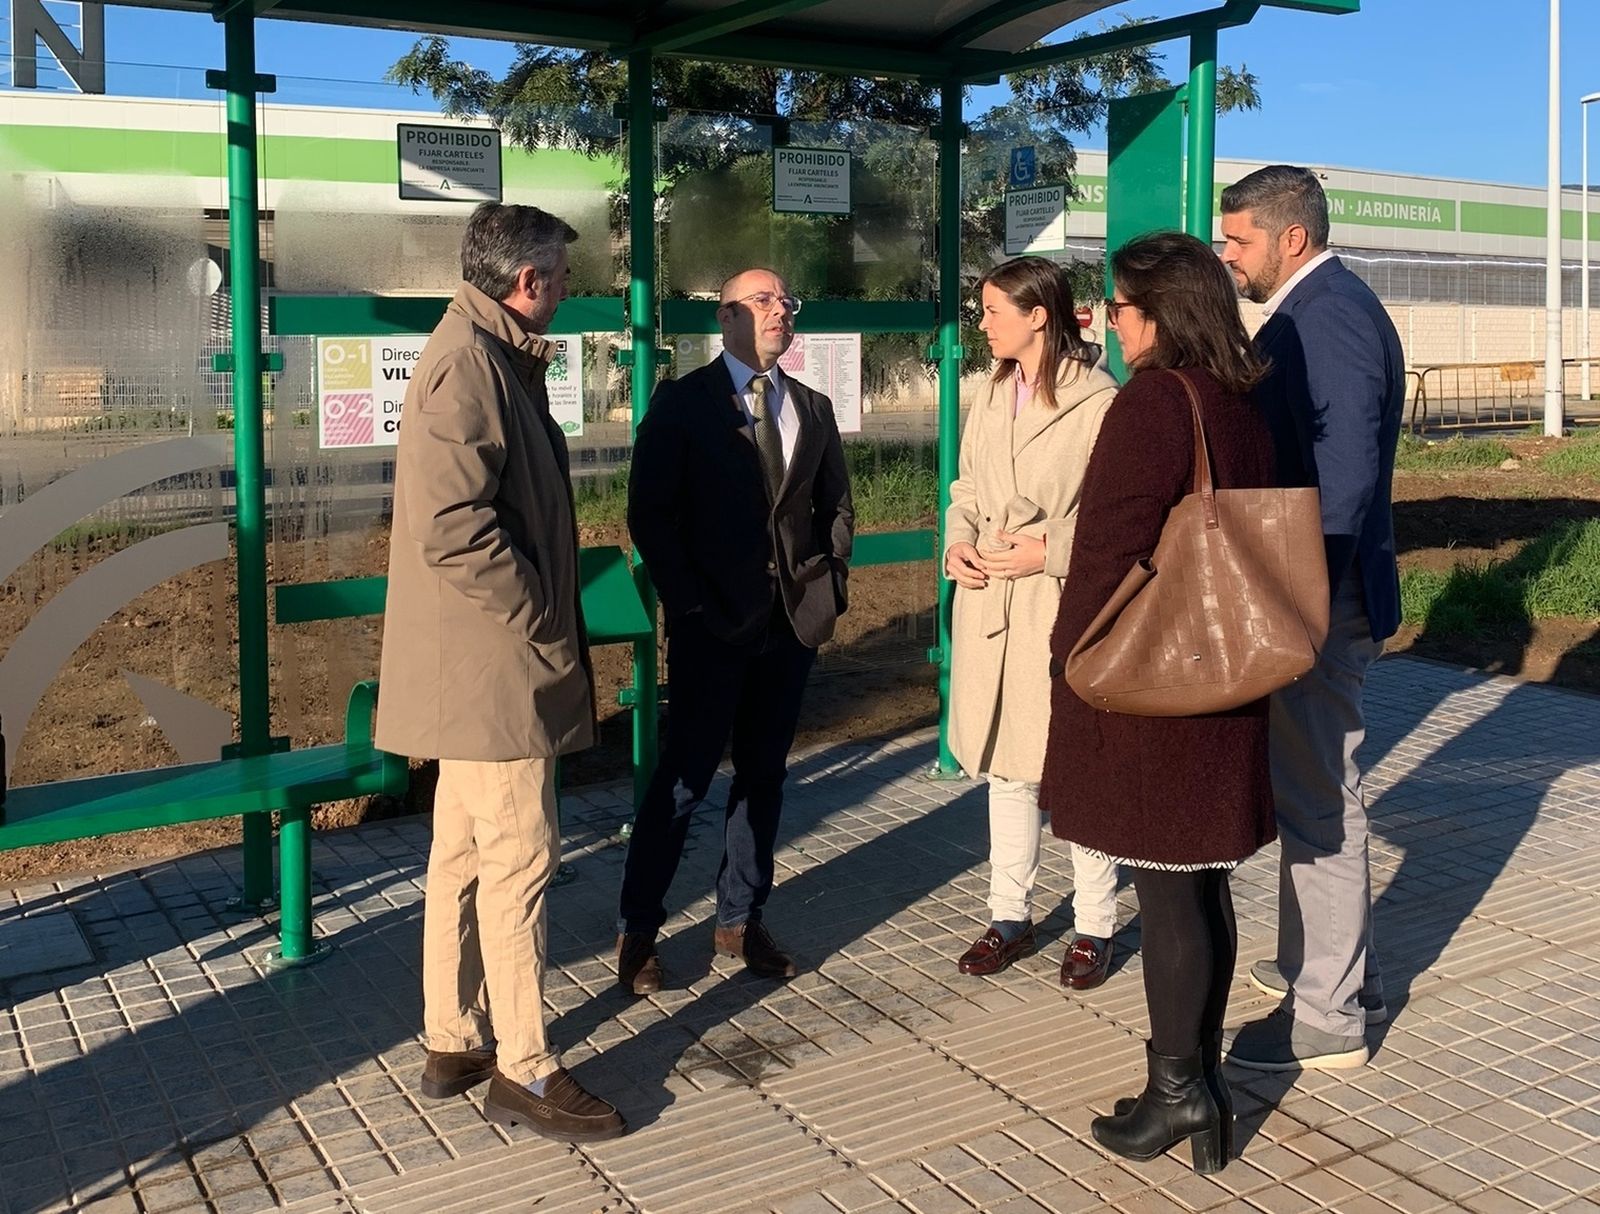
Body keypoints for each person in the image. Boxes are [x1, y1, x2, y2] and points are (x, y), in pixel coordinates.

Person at [375, 203, 624, 1143]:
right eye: (559, 275)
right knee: (518, 859)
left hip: (473, 668)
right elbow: (452, 525)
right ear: (526, 284)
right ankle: (523, 1066)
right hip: (495, 672)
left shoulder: (483, 351)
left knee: (465, 856)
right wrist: (538, 615)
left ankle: (453, 1035)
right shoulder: (471, 363)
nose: (566, 289)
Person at [1040, 231, 1275, 1175]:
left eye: (1121, 308)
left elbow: (1110, 545)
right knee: (1201, 887)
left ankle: (1180, 1094)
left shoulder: (1154, 402)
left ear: (1162, 313)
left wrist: (1069, 654)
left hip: (1156, 683)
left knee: (1169, 895)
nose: (1108, 322)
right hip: (1228, 672)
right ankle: (1196, 1086)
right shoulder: (1242, 397)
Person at [615, 267, 854, 993]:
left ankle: (740, 919)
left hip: (788, 629)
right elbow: (650, 515)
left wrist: (828, 587)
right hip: (711, 627)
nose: (781, 309)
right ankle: (639, 931)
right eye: (763, 300)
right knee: (682, 785)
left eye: (786, 301)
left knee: (764, 778)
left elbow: (835, 507)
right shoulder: (684, 403)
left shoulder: (811, 406)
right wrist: (688, 606)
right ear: (724, 319)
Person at [1219, 165, 1405, 1072]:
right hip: (1320, 593)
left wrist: (1306, 599)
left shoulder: (1325, 314)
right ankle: (1323, 971)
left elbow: (1346, 475)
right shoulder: (1314, 307)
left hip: (1322, 598)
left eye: (1238, 240)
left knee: (1322, 797)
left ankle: (1328, 1018)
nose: (1228, 256)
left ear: (1291, 237)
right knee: (1312, 790)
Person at [943, 256, 1123, 987]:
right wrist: (957, 541)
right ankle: (1007, 914)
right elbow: (964, 485)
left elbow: (1119, 521)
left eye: (992, 311)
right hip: (991, 605)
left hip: (1058, 607)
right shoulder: (985, 393)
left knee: (1075, 770)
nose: (982, 324)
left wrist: (1051, 552)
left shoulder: (1100, 401)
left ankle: (1095, 926)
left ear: (1037, 316)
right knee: (1005, 769)